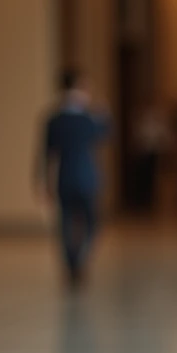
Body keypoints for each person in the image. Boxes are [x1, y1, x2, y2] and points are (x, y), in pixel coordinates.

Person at [38, 69, 110, 286]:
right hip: (86, 178)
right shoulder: (88, 118)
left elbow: (46, 153)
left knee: (66, 223)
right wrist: (104, 112)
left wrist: (43, 180)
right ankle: (79, 258)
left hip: (64, 177)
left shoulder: (53, 119)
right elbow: (107, 133)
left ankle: (72, 262)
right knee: (92, 222)